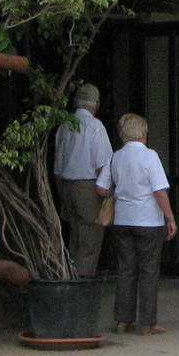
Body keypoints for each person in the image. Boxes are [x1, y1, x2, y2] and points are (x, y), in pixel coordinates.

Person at [96, 113, 177, 335]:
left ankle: (123, 321)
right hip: (148, 220)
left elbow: (101, 188)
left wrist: (118, 190)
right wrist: (170, 217)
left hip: (122, 219)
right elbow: (159, 191)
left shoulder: (115, 157)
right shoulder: (150, 157)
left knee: (125, 270)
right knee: (148, 271)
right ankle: (147, 322)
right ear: (143, 133)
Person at [53, 82, 113, 277]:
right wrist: (109, 192)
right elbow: (103, 164)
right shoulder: (95, 126)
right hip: (88, 186)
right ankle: (83, 280)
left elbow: (58, 166)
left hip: (67, 185)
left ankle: (69, 274)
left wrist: (61, 195)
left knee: (75, 236)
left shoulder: (64, 126)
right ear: (96, 104)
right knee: (90, 237)